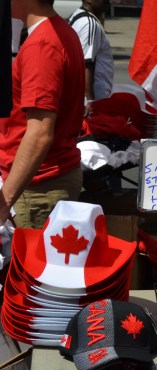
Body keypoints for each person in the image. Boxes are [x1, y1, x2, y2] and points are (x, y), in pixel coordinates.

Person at [0, 0, 85, 228]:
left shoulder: (42, 45)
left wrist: (4, 200)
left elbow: (39, 134)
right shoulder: (59, 32)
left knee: (30, 263)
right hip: (42, 182)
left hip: (37, 188)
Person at [68, 0, 114, 117]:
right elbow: (86, 64)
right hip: (91, 100)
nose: (108, 1)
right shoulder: (89, 23)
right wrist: (90, 100)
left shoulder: (78, 16)